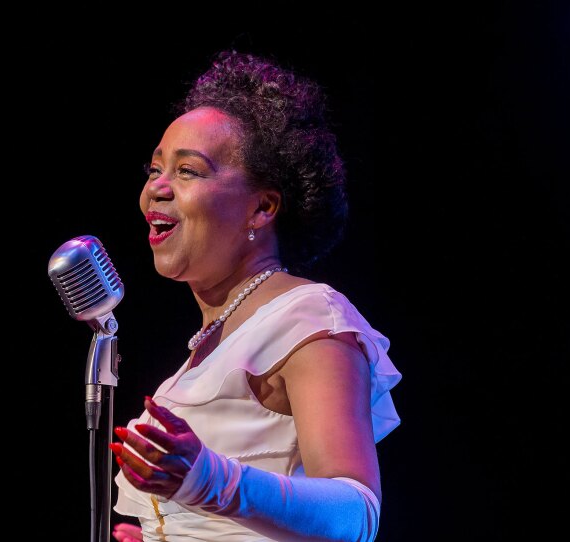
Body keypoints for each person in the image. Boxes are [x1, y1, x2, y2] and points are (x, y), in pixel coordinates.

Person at [109, 50, 402, 542]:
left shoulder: (309, 318)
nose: (156, 188)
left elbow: (356, 517)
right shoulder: (206, 348)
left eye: (188, 171)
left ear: (262, 207)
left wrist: (209, 480)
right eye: (155, 168)